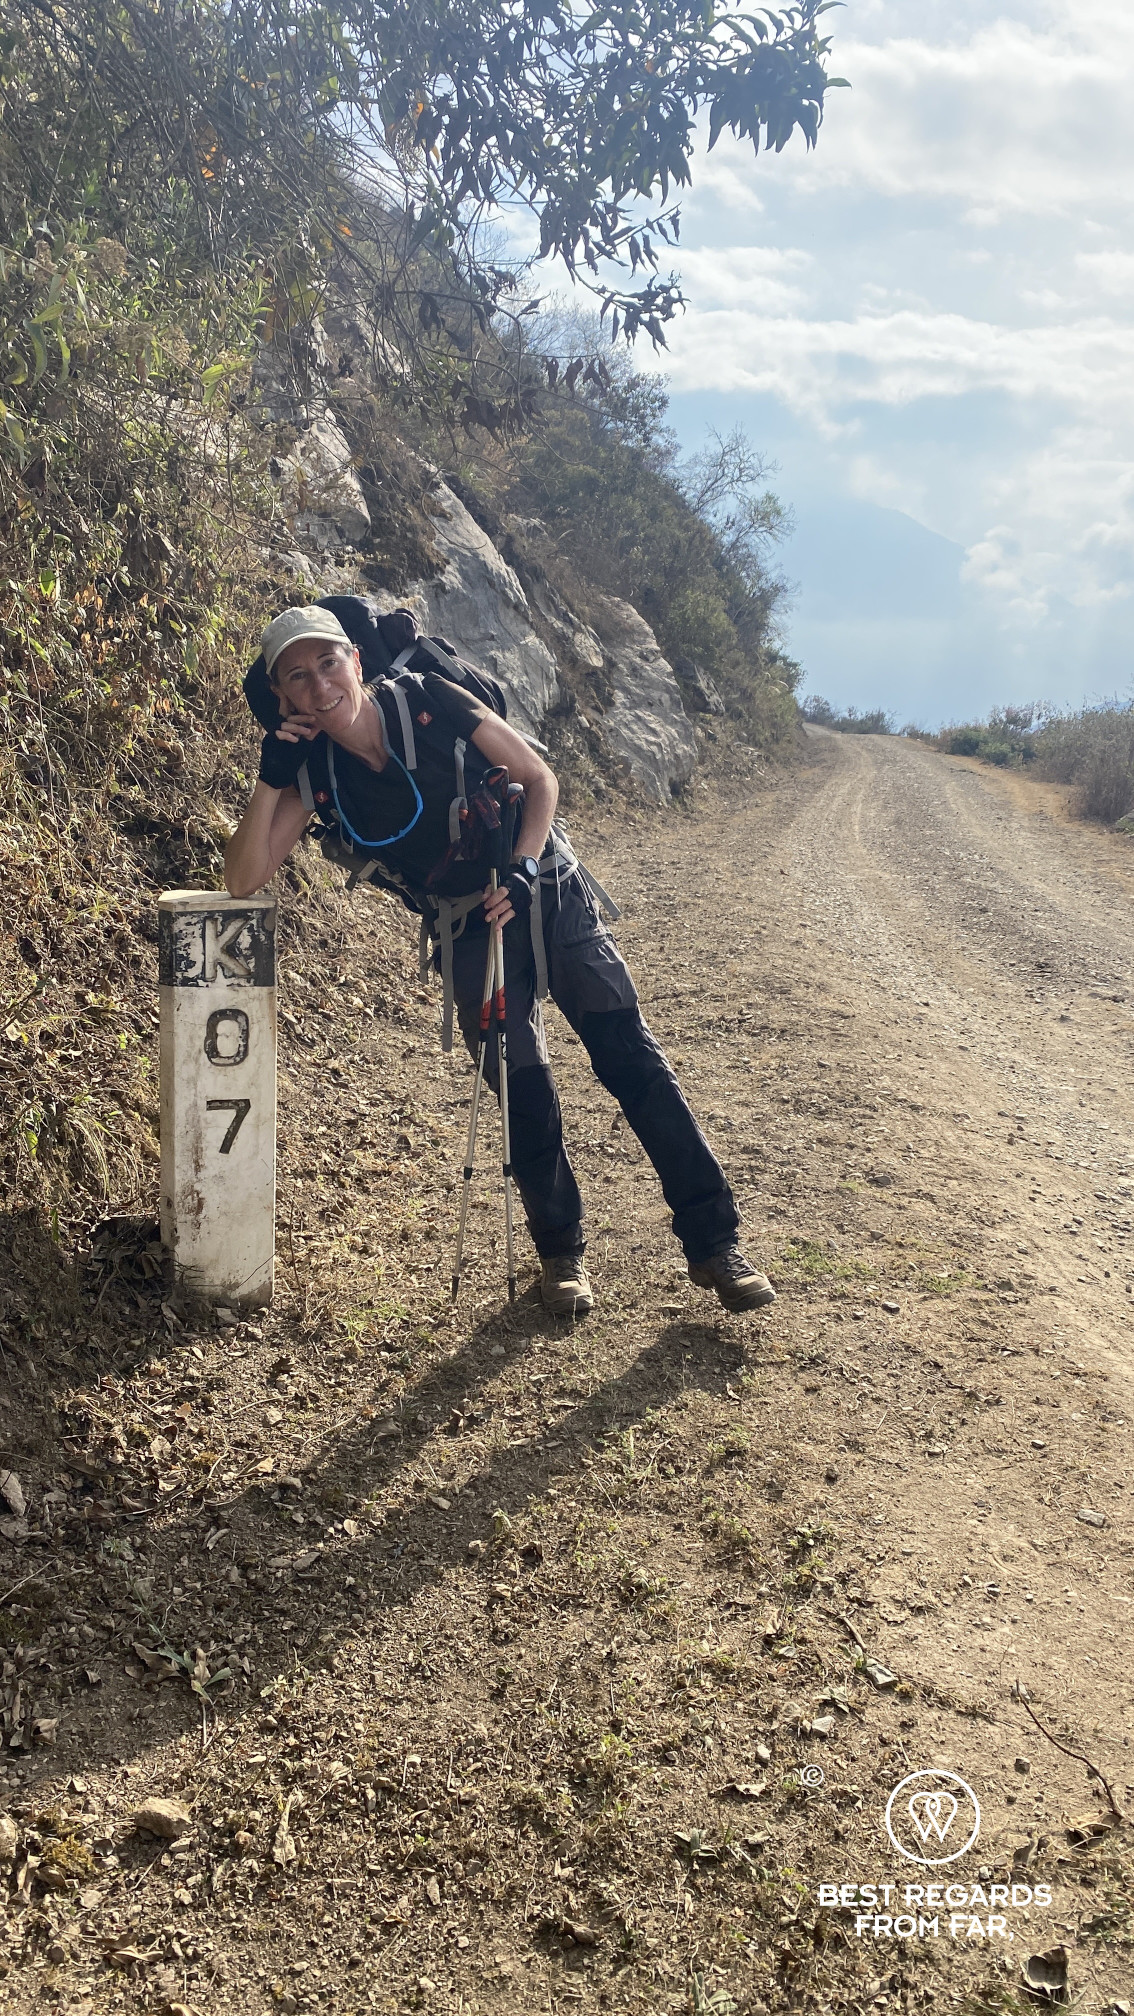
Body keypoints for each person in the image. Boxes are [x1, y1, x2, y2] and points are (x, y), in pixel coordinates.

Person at [225, 603, 776, 1318]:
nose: (319, 683)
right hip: (467, 926)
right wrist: (270, 779)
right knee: (522, 1089)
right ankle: (561, 1257)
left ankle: (715, 1245)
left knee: (629, 1059)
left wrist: (519, 868)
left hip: (545, 886)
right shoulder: (313, 774)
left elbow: (539, 779)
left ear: (355, 661)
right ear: (282, 697)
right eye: (297, 676)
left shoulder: (428, 699)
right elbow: (242, 878)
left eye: (328, 662)